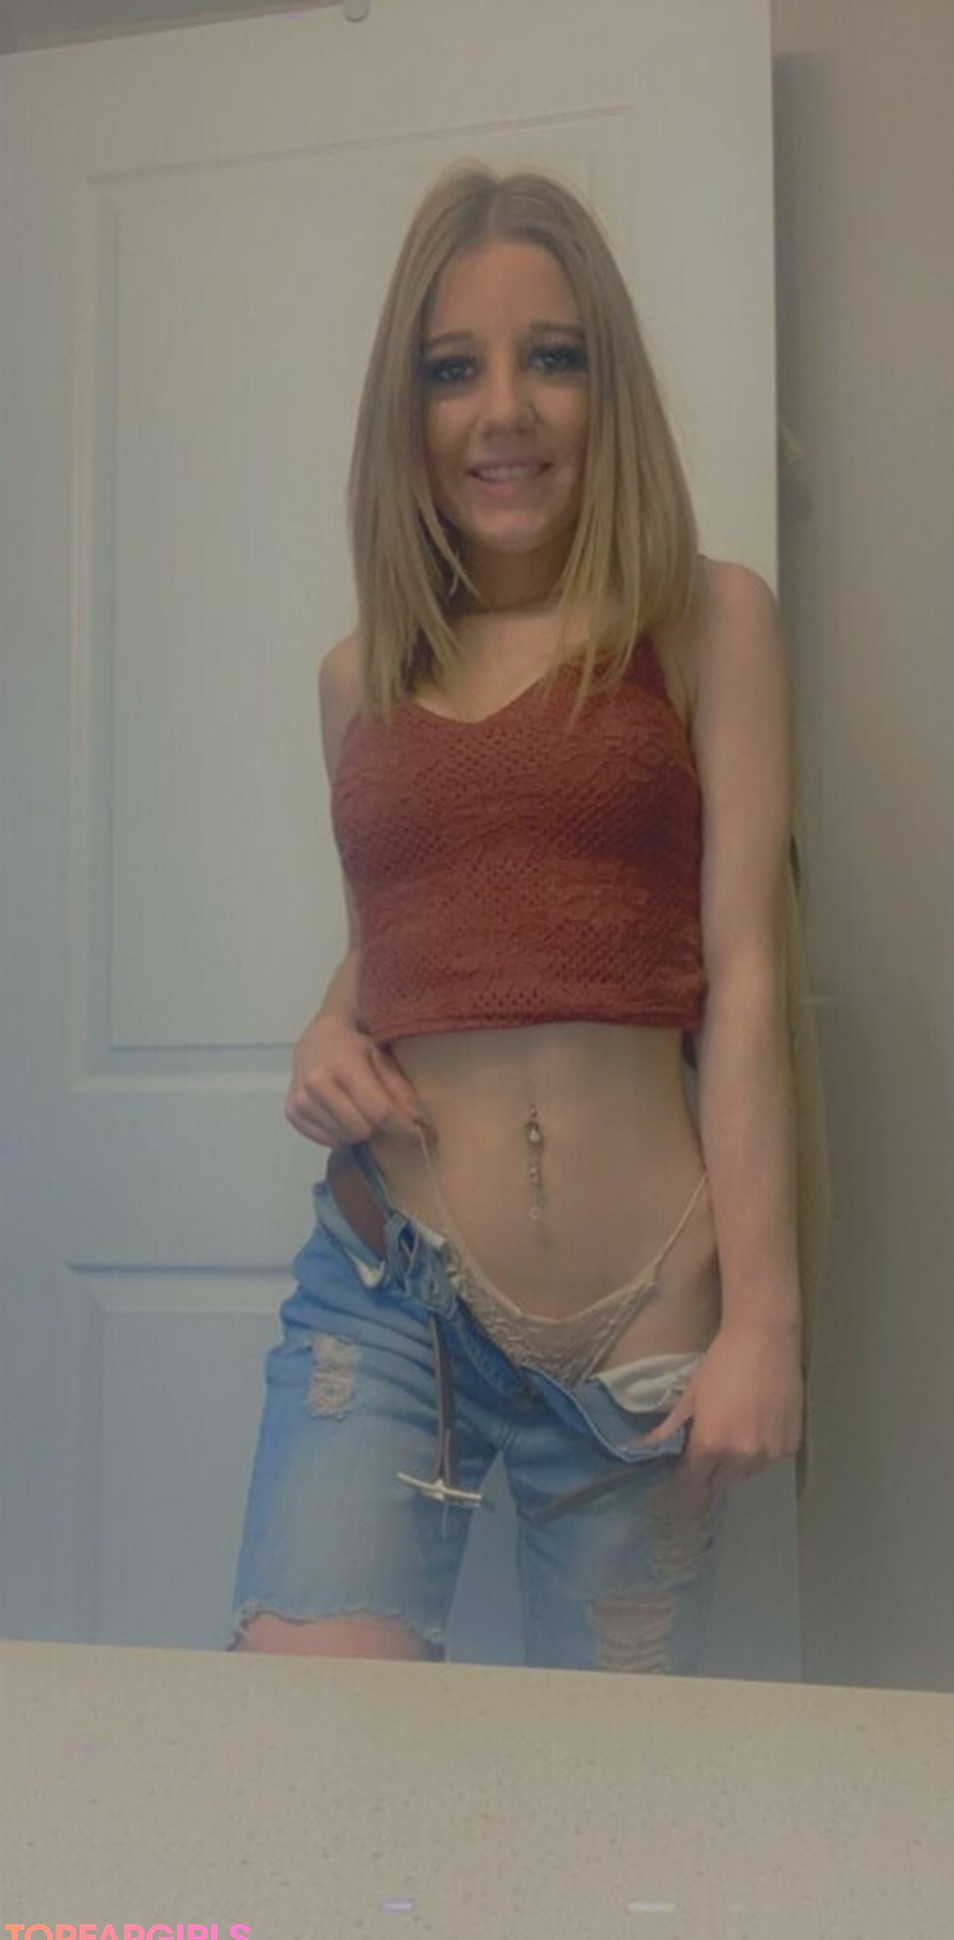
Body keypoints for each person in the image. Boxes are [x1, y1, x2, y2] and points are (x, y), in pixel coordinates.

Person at [226, 162, 824, 1676]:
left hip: (644, 1334)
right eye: (453, 369)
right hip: (391, 1296)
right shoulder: (359, 676)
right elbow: (422, 919)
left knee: (605, 1793)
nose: (503, 410)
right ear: (406, 410)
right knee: (296, 1742)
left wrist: (768, 1320)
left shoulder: (709, 620)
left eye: (551, 357)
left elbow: (747, 972)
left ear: (607, 389)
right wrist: (329, 1023)